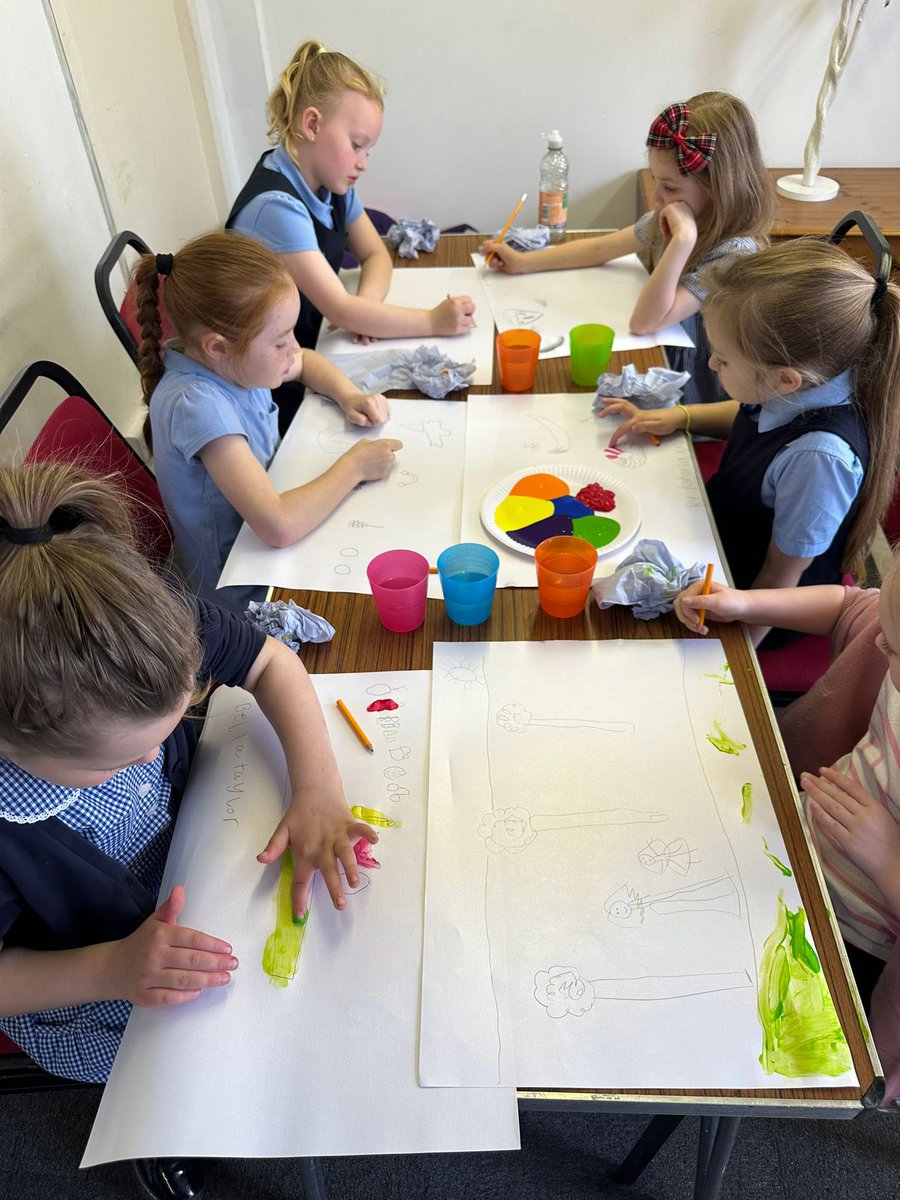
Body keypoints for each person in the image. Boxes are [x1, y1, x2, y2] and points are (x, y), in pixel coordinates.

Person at [0, 462, 377, 1194]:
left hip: (187, 863)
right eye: (119, 760)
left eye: (169, 728)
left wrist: (319, 788)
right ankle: (163, 1137)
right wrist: (111, 968)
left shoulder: (135, 631)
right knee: (228, 1063)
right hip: (82, 980)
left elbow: (270, 660)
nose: (151, 758)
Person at [673, 557, 900, 1105]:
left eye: (895, 650)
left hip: (847, 937)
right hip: (791, 844)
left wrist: (887, 858)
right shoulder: (888, 642)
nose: (877, 650)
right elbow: (853, 608)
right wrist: (744, 602)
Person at [599, 239, 900, 641]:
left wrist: (739, 660)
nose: (710, 363)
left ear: (785, 379)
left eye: (722, 358)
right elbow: (751, 415)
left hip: (756, 599)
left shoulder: (819, 459)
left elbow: (781, 576)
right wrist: (680, 416)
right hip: (721, 537)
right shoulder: (798, 388)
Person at [136, 231, 402, 612]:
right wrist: (355, 466)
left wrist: (349, 395)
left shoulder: (234, 363)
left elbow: (306, 362)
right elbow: (278, 526)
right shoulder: (197, 403)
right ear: (217, 346)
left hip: (273, 554)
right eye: (280, 341)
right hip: (244, 601)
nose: (293, 346)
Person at [227, 37, 475, 427]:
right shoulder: (276, 207)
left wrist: (367, 310)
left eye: (368, 150)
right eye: (357, 145)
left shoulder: (333, 185)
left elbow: (375, 254)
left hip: (307, 355)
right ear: (312, 124)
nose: (363, 163)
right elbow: (340, 310)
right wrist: (433, 321)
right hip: (265, 388)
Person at [482, 91, 772, 406]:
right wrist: (523, 262)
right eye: (656, 181)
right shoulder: (674, 217)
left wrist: (683, 240)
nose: (658, 197)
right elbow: (597, 249)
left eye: (670, 187)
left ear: (717, 188)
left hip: (693, 397)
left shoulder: (733, 253)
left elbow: (645, 323)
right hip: (660, 358)